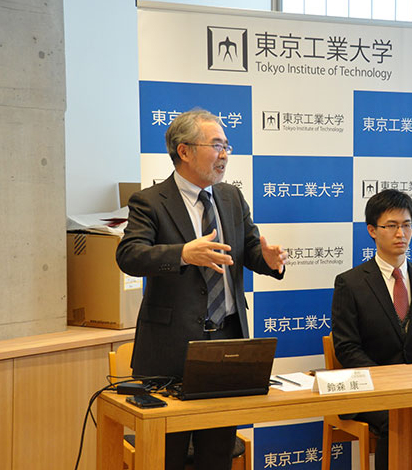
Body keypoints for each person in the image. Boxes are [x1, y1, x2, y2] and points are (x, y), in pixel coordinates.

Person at [116, 109, 287, 470]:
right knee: (168, 456)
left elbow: (248, 250)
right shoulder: (149, 201)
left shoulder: (230, 198)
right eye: (216, 145)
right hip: (169, 348)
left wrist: (268, 260)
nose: (225, 154)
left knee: (216, 454)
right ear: (184, 151)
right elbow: (129, 255)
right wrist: (182, 253)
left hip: (226, 344)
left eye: (227, 146)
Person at [331, 189, 412, 470]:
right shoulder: (351, 283)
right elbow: (347, 347)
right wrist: (388, 381)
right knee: (396, 417)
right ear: (372, 230)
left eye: (407, 225)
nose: (401, 234)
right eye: (391, 226)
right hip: (372, 390)